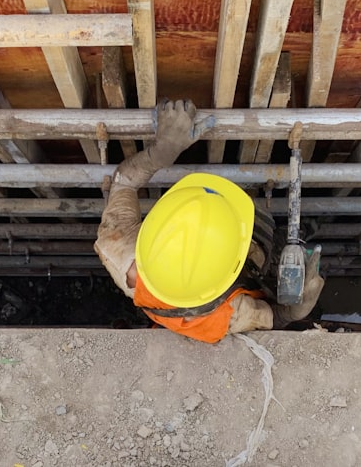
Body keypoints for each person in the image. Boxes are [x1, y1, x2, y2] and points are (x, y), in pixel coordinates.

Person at [95, 99, 324, 343]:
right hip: (257, 240)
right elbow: (274, 317)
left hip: (230, 225)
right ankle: (295, 233)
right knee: (271, 257)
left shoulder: (120, 251)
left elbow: (124, 182)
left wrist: (160, 152)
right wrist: (296, 311)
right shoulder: (230, 315)